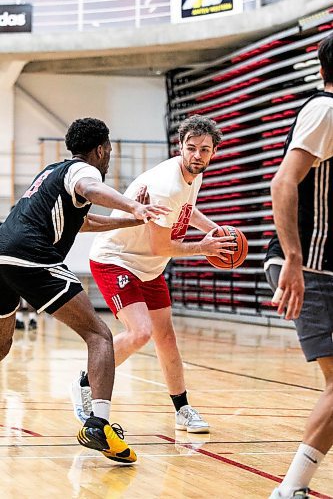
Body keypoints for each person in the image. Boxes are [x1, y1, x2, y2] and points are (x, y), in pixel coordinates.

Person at [0, 117, 171, 464]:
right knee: (100, 335)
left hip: (2, 250)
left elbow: (85, 222)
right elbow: (92, 190)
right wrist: (134, 204)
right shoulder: (83, 172)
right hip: (30, 253)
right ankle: (98, 424)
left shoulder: (52, 172)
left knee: (2, 343)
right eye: (109, 151)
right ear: (100, 149)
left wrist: (133, 219)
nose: (109, 157)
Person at [71, 114, 236, 433]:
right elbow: (164, 246)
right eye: (191, 148)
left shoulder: (192, 177)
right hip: (115, 258)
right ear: (181, 147)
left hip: (146, 265)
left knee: (166, 336)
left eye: (204, 150)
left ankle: (182, 409)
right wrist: (205, 247)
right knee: (140, 332)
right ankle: (85, 382)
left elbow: (186, 211)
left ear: (214, 151)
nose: (197, 155)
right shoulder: (167, 184)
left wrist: (214, 230)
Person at [264, 33, 333, 499]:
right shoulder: (327, 110)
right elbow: (282, 182)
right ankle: (289, 490)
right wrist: (294, 259)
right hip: (312, 268)